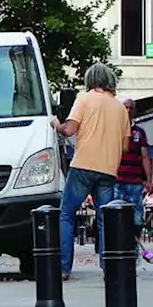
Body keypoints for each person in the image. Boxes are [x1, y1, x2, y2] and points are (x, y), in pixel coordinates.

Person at [50, 63, 130, 280]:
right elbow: (125, 147)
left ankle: (64, 268)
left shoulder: (84, 99)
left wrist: (56, 123)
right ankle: (108, 268)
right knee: (105, 218)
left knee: (66, 214)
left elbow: (69, 129)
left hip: (84, 165)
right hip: (108, 170)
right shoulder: (121, 108)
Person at [117, 98, 153, 263]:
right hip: (116, 180)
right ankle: (119, 251)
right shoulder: (115, 130)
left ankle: (133, 252)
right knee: (116, 216)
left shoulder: (139, 132)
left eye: (130, 108)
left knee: (137, 218)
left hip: (134, 181)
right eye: (124, 107)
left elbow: (145, 157)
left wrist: (148, 180)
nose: (127, 110)